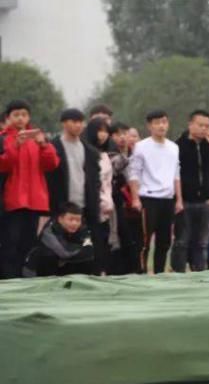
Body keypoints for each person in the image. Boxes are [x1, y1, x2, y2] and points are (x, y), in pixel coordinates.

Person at [0, 100, 60, 278]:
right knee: (11, 242)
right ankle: (9, 278)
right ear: (8, 118)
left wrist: (44, 145)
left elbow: (52, 164)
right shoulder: (4, 138)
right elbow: (4, 165)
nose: (20, 118)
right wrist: (15, 146)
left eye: (24, 115)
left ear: (29, 117)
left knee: (29, 243)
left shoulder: (38, 138)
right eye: (16, 115)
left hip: (34, 199)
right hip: (12, 199)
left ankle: (24, 277)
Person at [127, 110, 182, 274]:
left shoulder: (173, 147)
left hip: (167, 199)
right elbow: (134, 173)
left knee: (165, 241)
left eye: (164, 122)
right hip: (148, 198)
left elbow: (176, 174)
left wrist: (179, 199)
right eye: (157, 122)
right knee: (145, 240)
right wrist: (135, 198)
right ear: (150, 126)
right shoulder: (141, 147)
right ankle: (142, 272)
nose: (161, 126)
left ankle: (159, 273)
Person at [172, 110, 209, 273]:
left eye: (207, 126)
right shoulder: (177, 147)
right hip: (184, 201)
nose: (203, 129)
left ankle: (199, 273)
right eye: (200, 125)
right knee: (182, 241)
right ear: (190, 124)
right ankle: (178, 273)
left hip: (206, 202)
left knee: (202, 243)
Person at [48, 108, 101, 253]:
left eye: (81, 122)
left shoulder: (89, 150)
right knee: (60, 248)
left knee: (86, 249)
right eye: (74, 122)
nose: (78, 125)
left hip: (84, 207)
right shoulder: (52, 147)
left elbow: (95, 179)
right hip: (61, 206)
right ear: (64, 124)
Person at [23, 202, 95, 277]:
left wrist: (67, 257)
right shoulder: (50, 230)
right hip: (36, 270)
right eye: (71, 219)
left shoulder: (83, 229)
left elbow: (89, 251)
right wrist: (78, 251)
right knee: (49, 255)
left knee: (88, 259)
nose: (74, 223)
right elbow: (64, 253)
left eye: (78, 220)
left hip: (63, 263)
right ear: (60, 219)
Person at [109, 120, 141, 274]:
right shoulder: (109, 155)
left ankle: (136, 270)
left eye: (124, 134)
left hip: (136, 203)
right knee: (119, 237)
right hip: (116, 202)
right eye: (117, 134)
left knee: (136, 238)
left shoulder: (137, 154)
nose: (122, 137)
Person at [84, 119, 115, 275]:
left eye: (106, 131)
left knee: (104, 241)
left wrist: (108, 202)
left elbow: (107, 183)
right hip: (92, 205)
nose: (103, 135)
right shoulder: (87, 153)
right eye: (99, 130)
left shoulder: (105, 155)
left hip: (106, 207)